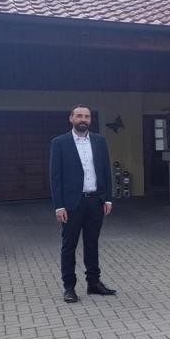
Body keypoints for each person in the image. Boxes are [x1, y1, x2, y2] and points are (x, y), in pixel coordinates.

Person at [50, 104, 116, 303]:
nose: (83, 119)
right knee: (69, 246)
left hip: (95, 201)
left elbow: (105, 170)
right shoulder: (59, 143)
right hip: (72, 204)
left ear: (90, 120)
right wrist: (59, 206)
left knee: (92, 244)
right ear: (71, 118)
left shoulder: (99, 141)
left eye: (86, 116)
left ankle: (93, 283)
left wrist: (107, 198)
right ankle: (69, 287)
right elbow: (55, 177)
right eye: (79, 116)